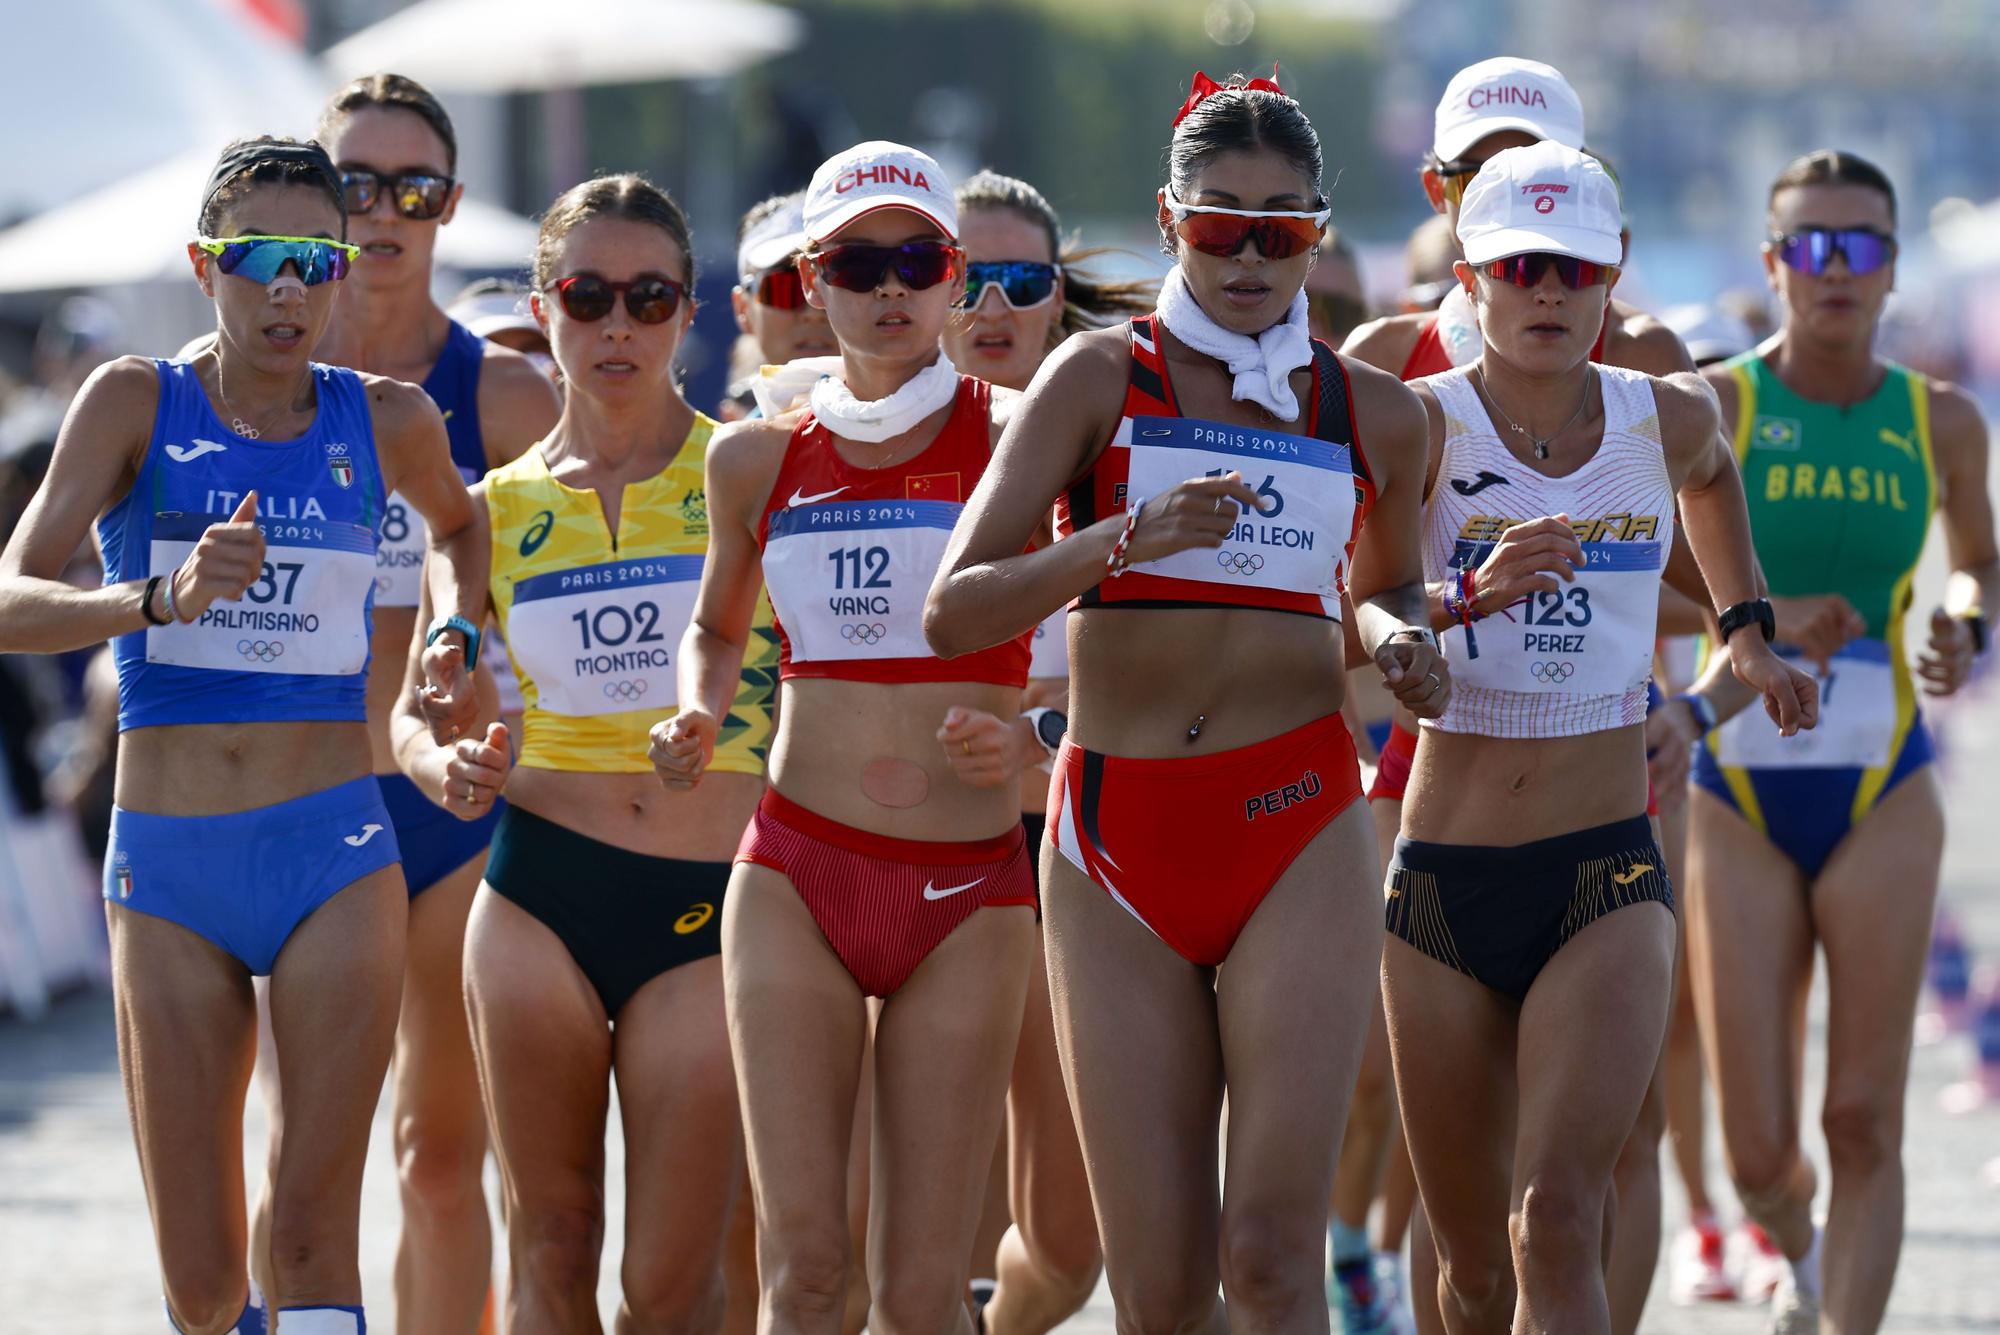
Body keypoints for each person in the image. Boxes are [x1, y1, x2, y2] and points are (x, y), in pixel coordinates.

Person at [927, 72, 1449, 1330]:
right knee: (1159, 1292)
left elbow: (1383, 597)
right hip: (1116, 838)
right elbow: (958, 608)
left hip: (1296, 821)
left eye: (1282, 227)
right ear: (1171, 222)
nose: (1251, 254)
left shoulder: (1372, 411)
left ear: (1316, 235)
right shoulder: (1092, 381)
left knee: (1271, 1256)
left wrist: (1406, 644)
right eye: (1221, 224)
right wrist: (1122, 538)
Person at [0, 135, 485, 1335]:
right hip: (169, 867)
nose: (289, 290)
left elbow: (460, 530)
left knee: (318, 1228)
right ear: (205, 266)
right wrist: (154, 602)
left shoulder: (388, 418)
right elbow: (12, 596)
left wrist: (453, 630)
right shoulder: (132, 401)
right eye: (260, 259)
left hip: (333, 853)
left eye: (315, 262)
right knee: (207, 1282)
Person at [1379, 141, 1813, 1335]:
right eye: (1519, 266)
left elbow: (1714, 477)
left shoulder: (1663, 413)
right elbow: (1351, 617)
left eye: (1573, 269)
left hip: (1604, 869)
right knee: (1468, 1271)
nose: (1547, 292)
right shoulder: (1417, 426)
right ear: (1468, 276)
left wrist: (1746, 629)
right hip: (1439, 884)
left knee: (1558, 1220)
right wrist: (1460, 602)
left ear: (1612, 273)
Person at [1340, 59, 1711, 1334]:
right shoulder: (1385, 367)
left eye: (1553, 190)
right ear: (1441, 197)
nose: (1536, 250)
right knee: (1458, 1223)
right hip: (1431, 778)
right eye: (1485, 178)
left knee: (1595, 1163)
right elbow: (1334, 593)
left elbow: (1680, 579)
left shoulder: (1651, 370)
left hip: (1610, 769)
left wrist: (1708, 674)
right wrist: (1425, 622)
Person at [651, 141, 1041, 1335]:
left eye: (914, 259)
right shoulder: (751, 453)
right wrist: (695, 707)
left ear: (954, 276)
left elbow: (1102, 629)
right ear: (811, 281)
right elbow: (716, 631)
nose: (888, 286)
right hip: (795, 869)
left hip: (969, 883)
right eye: (856, 262)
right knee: (807, 1273)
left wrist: (1035, 734)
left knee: (924, 1293)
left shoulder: (1022, 430)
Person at [208, 76, 560, 1335]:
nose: (380, 213)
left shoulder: (503, 401)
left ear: (449, 206)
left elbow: (591, 570)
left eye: (412, 189)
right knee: (299, 1146)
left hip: (449, 810)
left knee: (433, 1150)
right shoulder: (245, 385)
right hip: (287, 797)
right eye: (355, 184)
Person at [395, 172, 767, 1333]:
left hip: (708, 900)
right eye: (587, 294)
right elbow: (410, 713)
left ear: (689, 309)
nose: (617, 325)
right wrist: (438, 763)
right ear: (543, 306)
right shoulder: (485, 510)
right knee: (550, 1249)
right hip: (538, 890)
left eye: (649, 296)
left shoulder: (754, 475)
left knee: (670, 1283)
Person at [1685, 150, 1998, 1334]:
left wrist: (1963, 626)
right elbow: (1653, 585)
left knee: (1861, 1119)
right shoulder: (1713, 405)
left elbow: (1976, 566)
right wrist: (1752, 625)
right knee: (1759, 1152)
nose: (1831, 269)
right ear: (1770, 264)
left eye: (1856, 245)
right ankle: (1797, 1253)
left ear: (1890, 270)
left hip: (1881, 782)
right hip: (1737, 788)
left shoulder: (1942, 420)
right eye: (1806, 245)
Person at [937, 168, 1152, 1335]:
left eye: (1020, 281)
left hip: (1063, 838)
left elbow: (1179, 670)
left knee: (1065, 1246)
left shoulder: (1124, 438)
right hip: (891, 840)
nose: (988, 306)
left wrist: (1046, 727)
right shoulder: (827, 433)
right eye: (957, 275)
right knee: (902, 1232)